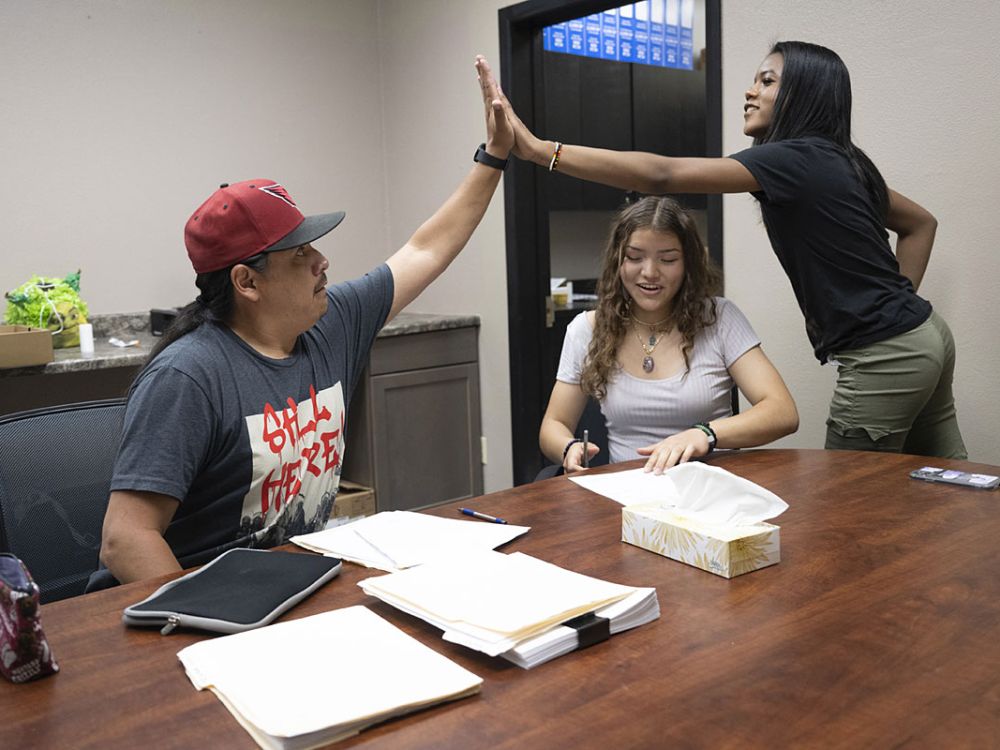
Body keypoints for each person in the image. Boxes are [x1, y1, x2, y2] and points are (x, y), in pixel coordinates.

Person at [92, 63, 513, 587]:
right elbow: (125, 539)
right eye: (300, 255)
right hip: (195, 612)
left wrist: (494, 155)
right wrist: (220, 625)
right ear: (247, 281)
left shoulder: (329, 324)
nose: (323, 262)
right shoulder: (189, 376)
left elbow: (426, 248)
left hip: (287, 589)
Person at [477, 42, 966, 459]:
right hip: (927, 336)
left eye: (767, 81)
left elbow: (661, 175)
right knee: (951, 486)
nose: (750, 91)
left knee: (851, 502)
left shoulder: (791, 159)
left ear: (803, 96)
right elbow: (921, 223)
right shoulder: (844, 160)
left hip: (888, 355)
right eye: (755, 80)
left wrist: (543, 151)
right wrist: (898, 308)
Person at [540, 195, 798, 475]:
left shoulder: (719, 318)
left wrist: (705, 434)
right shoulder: (586, 329)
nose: (650, 272)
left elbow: (782, 412)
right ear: (618, 260)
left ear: (689, 263)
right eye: (635, 257)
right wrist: (568, 447)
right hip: (627, 497)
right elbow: (554, 425)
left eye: (668, 259)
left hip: (711, 494)